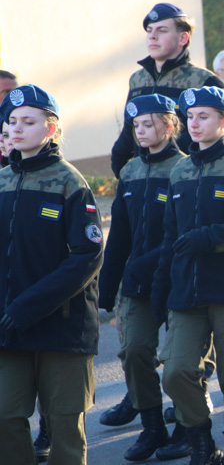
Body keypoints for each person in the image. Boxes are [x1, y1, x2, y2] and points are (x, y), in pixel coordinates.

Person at [150, 86, 224, 465]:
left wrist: (208, 239)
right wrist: (160, 288)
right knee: (176, 373)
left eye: (204, 116)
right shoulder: (180, 170)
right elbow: (170, 236)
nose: (195, 124)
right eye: (190, 117)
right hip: (187, 290)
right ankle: (201, 440)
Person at [0, 85, 104, 465]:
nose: (17, 129)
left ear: (51, 128)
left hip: (62, 326)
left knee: (64, 428)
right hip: (9, 326)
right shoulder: (2, 180)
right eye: (11, 122)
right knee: (5, 417)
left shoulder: (69, 182)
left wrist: (28, 305)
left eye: (29, 121)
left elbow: (87, 255)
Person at [98, 95, 186, 462]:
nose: (141, 131)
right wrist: (105, 293)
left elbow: (182, 232)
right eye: (136, 126)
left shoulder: (185, 168)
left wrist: (145, 264)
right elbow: (119, 235)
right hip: (136, 284)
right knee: (135, 351)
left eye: (148, 124)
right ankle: (152, 428)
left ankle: (186, 427)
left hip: (178, 280)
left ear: (169, 126)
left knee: (183, 361)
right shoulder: (131, 171)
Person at [110, 3, 224, 178]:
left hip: (187, 181)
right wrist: (121, 168)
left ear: (183, 38)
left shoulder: (203, 81)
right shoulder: (138, 80)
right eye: (149, 30)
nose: (152, 36)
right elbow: (129, 132)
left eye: (162, 30)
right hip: (146, 180)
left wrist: (196, 157)